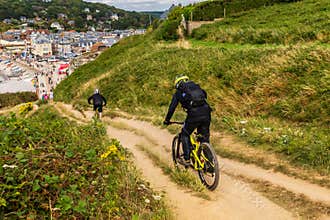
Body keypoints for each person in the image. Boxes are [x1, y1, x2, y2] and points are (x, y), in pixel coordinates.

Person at [163, 75, 212, 166]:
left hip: (194, 114)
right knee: (204, 138)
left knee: (185, 134)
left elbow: (172, 108)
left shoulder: (178, 92)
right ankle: (210, 165)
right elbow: (205, 95)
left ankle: (187, 159)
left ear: (177, 84)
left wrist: (167, 120)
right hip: (206, 112)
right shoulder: (196, 86)